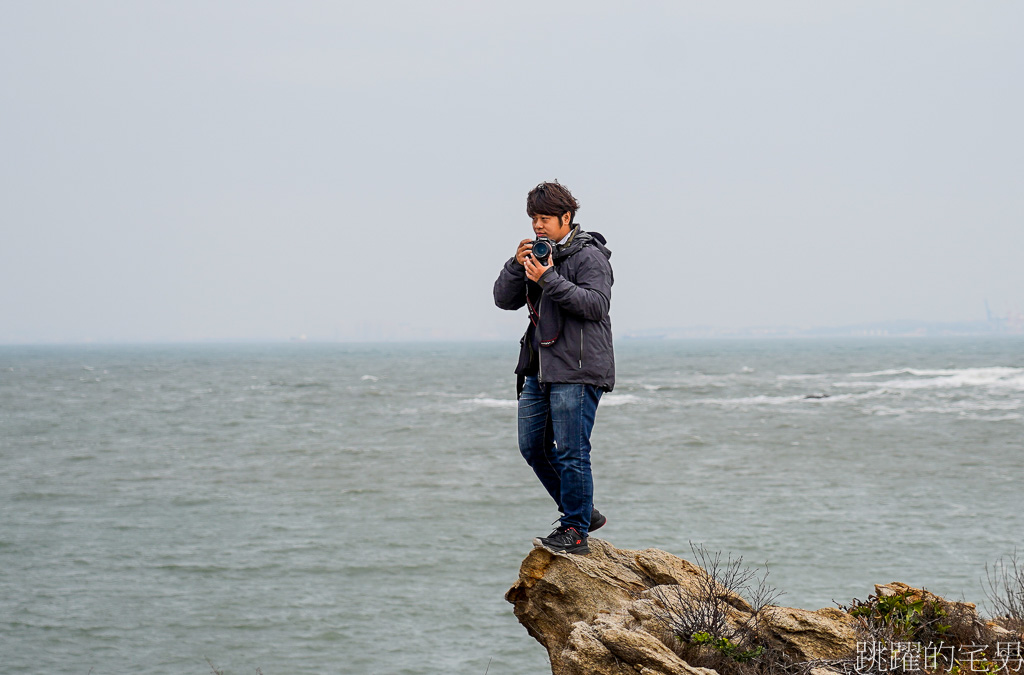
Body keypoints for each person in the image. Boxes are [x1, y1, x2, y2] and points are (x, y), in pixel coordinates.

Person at [493, 181, 615, 555]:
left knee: (572, 451)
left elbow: (596, 305)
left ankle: (576, 530)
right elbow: (502, 300)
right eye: (534, 218)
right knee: (532, 447)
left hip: (578, 369)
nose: (538, 226)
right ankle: (583, 512)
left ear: (567, 217)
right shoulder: (536, 255)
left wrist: (548, 278)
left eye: (545, 218)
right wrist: (518, 266)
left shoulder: (589, 256)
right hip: (539, 367)